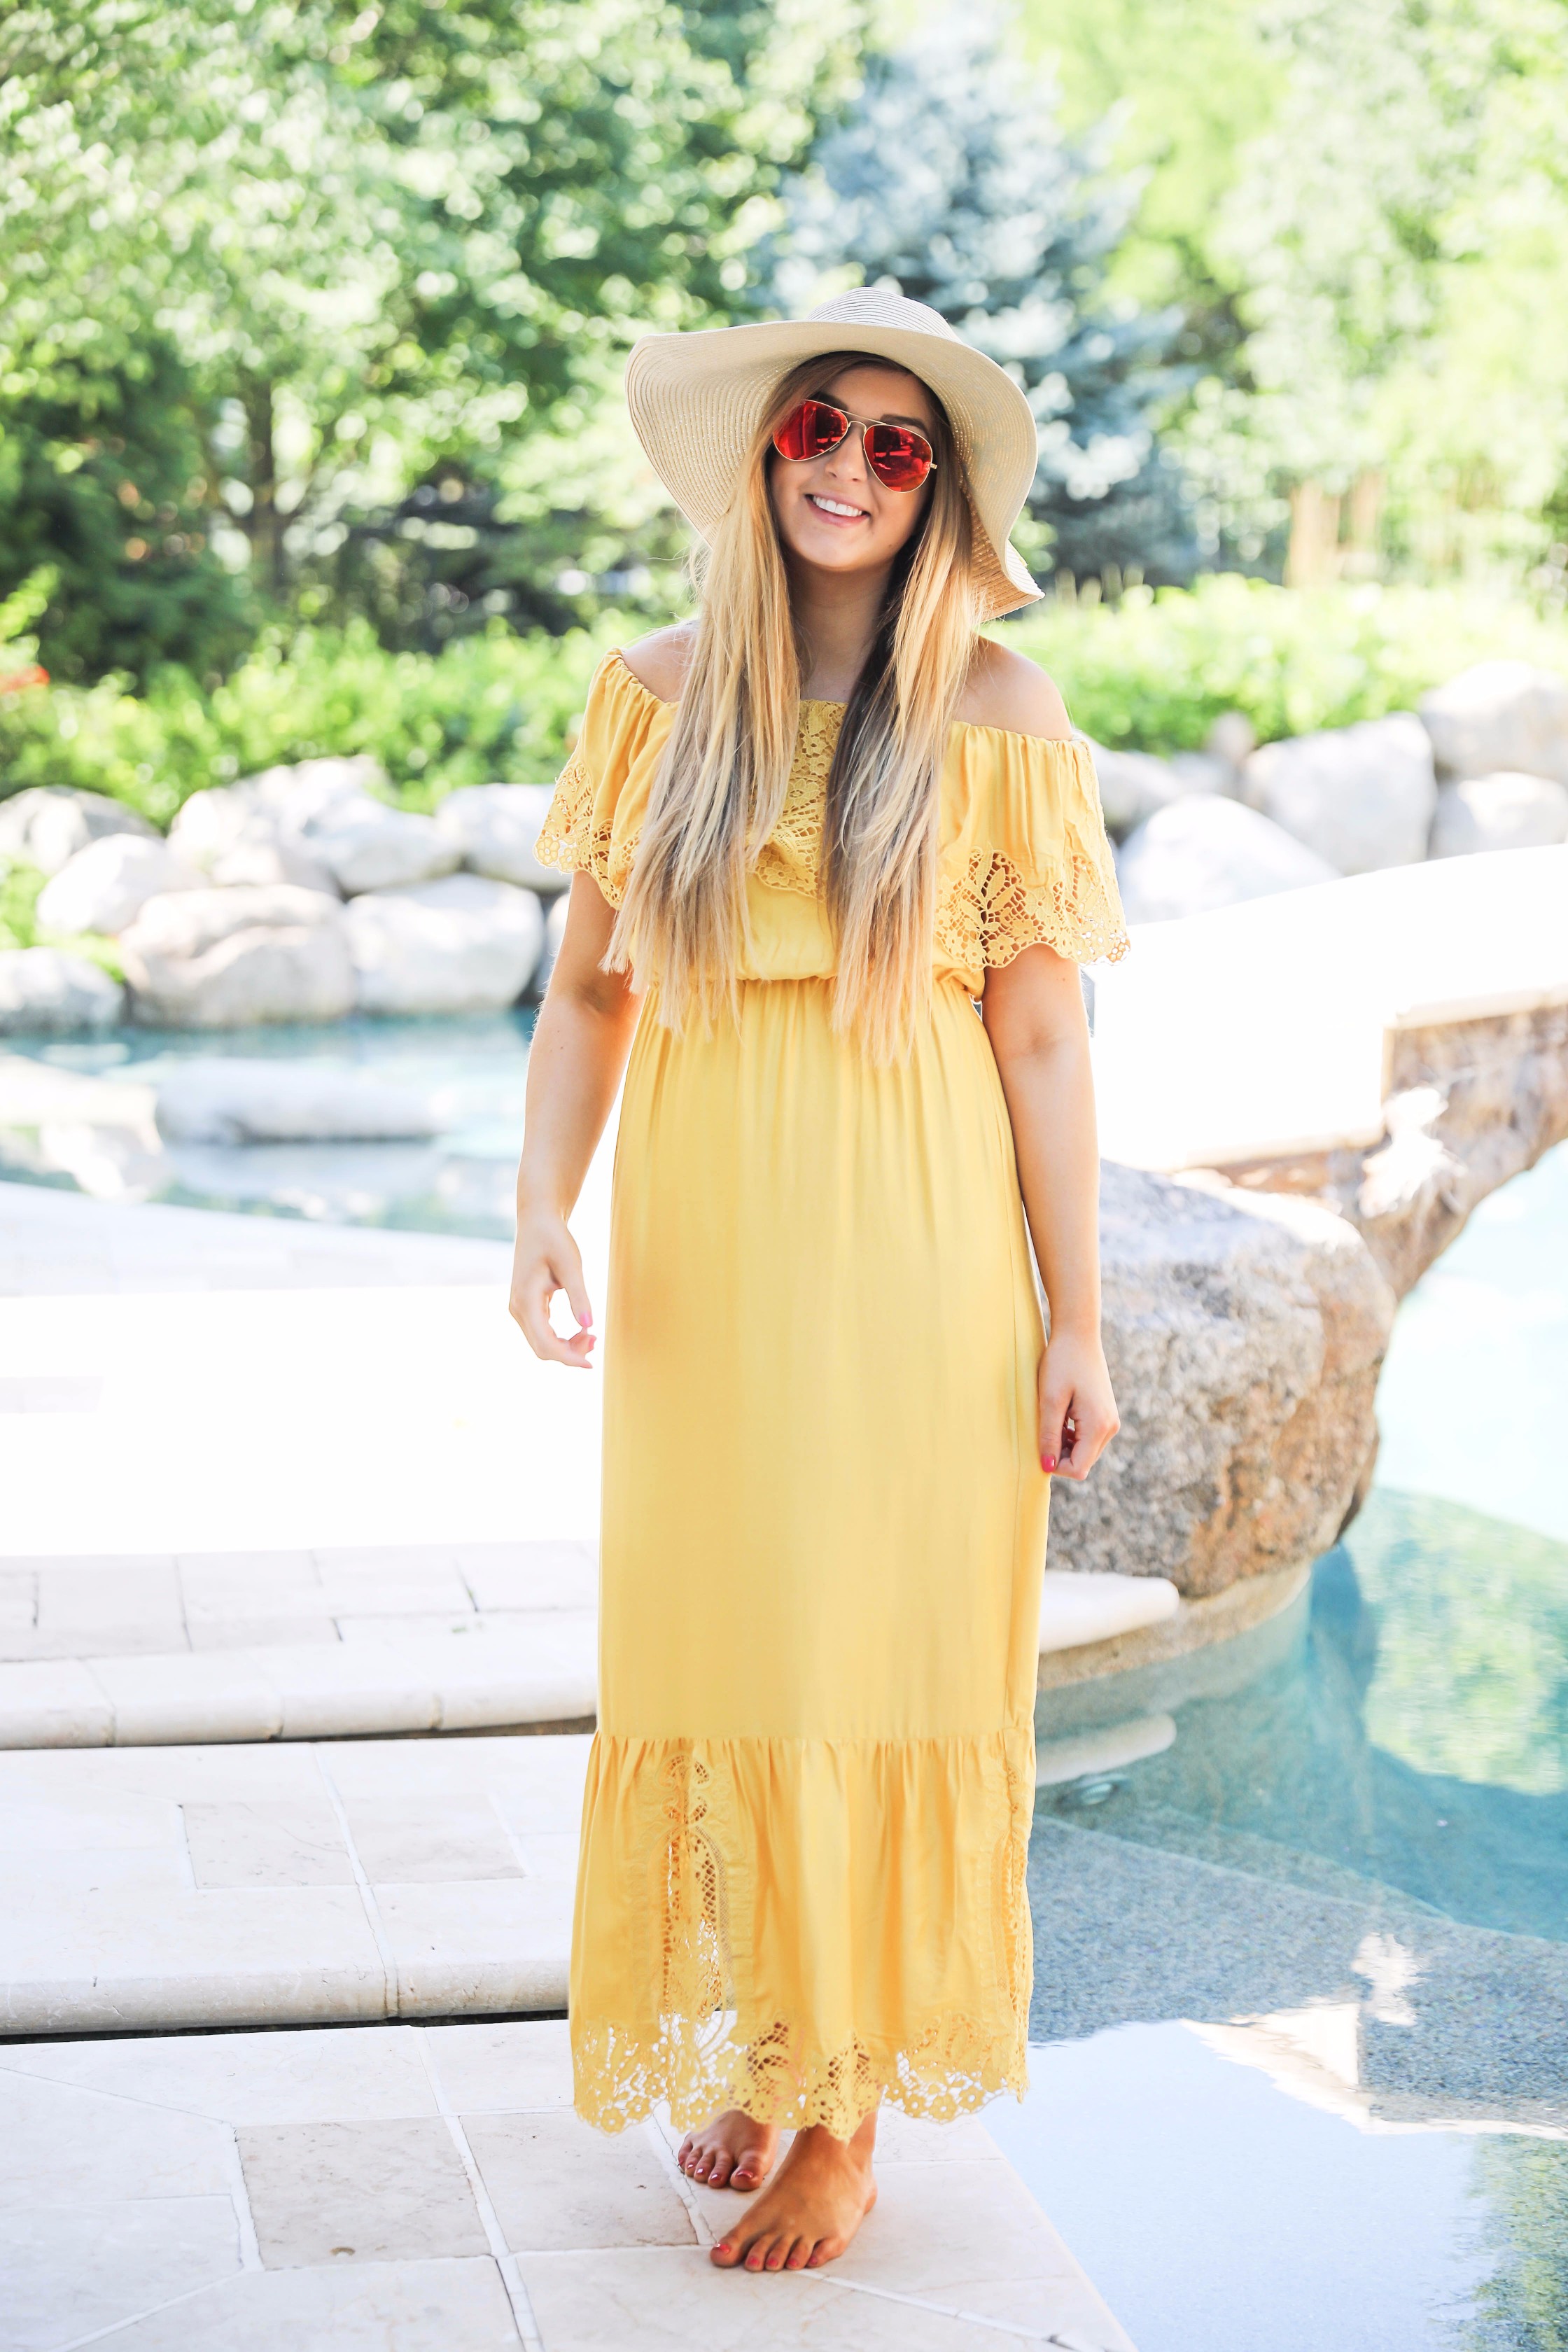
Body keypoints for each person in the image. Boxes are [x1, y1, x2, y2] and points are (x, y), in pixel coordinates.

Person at [510, 287, 1127, 2277]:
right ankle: (771, 2050)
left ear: (934, 488)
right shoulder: (658, 690)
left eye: (896, 443)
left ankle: (846, 2125)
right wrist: (543, 1206)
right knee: (724, 1649)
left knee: (873, 1655)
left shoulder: (999, 715)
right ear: (761, 455)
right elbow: (590, 996)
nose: (848, 468)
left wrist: (1082, 1320)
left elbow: (1041, 1041)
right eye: (815, 430)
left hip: (915, 1254)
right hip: (711, 1258)